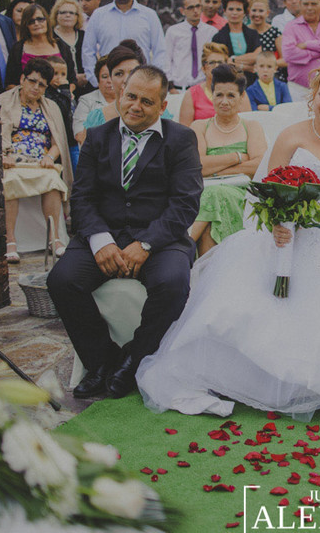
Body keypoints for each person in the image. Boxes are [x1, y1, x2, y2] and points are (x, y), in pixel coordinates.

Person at [137, 56, 320, 422]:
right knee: (243, 290)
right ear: (313, 94)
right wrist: (277, 223)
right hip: (291, 235)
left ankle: (316, 383)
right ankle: (241, 373)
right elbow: (266, 191)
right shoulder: (291, 136)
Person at [47, 65, 203, 399]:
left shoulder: (181, 139)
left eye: (146, 102)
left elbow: (185, 204)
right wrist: (101, 241)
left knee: (173, 283)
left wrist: (145, 243)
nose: (135, 106)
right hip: (104, 233)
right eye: (130, 96)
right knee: (61, 280)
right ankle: (102, 361)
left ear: (162, 107)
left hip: (161, 239)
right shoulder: (98, 137)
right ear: (120, 94)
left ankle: (134, 360)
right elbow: (83, 197)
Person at [0, 58, 73, 263]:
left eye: (41, 85)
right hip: (14, 160)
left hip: (41, 161)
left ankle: (54, 239)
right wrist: (5, 154)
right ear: (22, 79)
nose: (35, 87)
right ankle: (10, 240)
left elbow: (59, 140)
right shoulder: (5, 101)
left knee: (52, 181)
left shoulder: (50, 107)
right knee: (10, 180)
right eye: (32, 81)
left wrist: (50, 156)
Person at [188, 65, 268, 255]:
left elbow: (259, 166)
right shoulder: (199, 127)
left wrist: (214, 168)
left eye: (231, 96)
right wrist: (238, 157)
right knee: (212, 201)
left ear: (241, 98)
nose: (224, 101)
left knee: (216, 194)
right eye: (219, 95)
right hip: (203, 193)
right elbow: (196, 167)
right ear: (212, 95)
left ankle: (184, 244)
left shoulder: (251, 126)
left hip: (243, 195)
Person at [82, 0, 168, 75]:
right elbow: (88, 50)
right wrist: (94, 78)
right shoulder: (99, 15)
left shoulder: (149, 15)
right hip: (109, 80)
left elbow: (160, 51)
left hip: (140, 79)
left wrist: (153, 77)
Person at [179, 42, 250, 125]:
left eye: (220, 62)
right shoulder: (191, 94)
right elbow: (184, 130)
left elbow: (246, 125)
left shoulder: (239, 92)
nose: (216, 66)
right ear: (203, 68)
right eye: (212, 62)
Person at [4, 3, 64, 90]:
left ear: (47, 20)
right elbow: (10, 83)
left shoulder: (61, 45)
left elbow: (72, 79)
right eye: (31, 21)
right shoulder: (18, 49)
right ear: (26, 25)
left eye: (40, 19)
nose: (36, 23)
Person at [164, 0, 217, 90]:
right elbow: (166, 59)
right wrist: (170, 87)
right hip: (179, 87)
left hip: (203, 86)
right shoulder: (173, 31)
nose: (195, 11)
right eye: (190, 8)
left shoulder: (211, 32)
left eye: (198, 6)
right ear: (182, 11)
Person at [84, 45, 143, 132]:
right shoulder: (96, 118)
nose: (126, 80)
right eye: (119, 74)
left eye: (132, 73)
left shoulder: (157, 114)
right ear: (111, 78)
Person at [212, 0, 262, 80]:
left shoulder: (253, 34)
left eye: (238, 9)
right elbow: (223, 63)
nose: (234, 13)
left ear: (244, 13)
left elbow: (257, 57)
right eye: (231, 9)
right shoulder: (218, 37)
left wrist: (234, 59)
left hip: (251, 83)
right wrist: (248, 67)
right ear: (225, 11)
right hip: (227, 82)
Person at [45, 57, 80, 170]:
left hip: (71, 139)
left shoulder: (66, 93)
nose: (59, 77)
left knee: (77, 167)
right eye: (55, 73)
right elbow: (62, 110)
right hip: (58, 139)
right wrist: (65, 89)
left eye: (63, 74)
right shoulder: (48, 94)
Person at [51, 0, 88, 93]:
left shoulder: (84, 36)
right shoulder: (50, 37)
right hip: (60, 87)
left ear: (77, 16)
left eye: (72, 13)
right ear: (56, 15)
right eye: (63, 12)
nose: (68, 15)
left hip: (85, 86)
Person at [74, 57, 113, 144]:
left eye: (113, 75)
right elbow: (79, 134)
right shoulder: (86, 101)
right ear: (98, 80)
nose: (109, 81)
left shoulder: (127, 101)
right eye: (104, 77)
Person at [249, 0, 286, 81]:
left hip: (272, 77)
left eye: (261, 11)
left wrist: (266, 65)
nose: (257, 14)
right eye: (254, 10)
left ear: (267, 13)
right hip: (249, 74)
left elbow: (285, 60)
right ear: (249, 11)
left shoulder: (274, 32)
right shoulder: (244, 31)